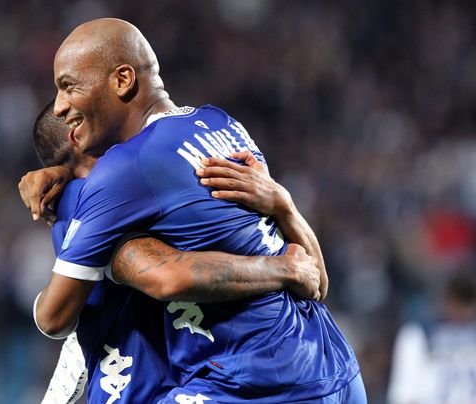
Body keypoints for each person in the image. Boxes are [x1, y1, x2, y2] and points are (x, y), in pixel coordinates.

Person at [34, 18, 364, 402]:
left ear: (123, 80)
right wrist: (286, 208)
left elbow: (54, 317)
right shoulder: (222, 125)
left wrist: (77, 216)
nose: (60, 105)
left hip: (258, 381)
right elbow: (317, 281)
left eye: (68, 86)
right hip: (334, 365)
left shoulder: (124, 169)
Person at [27, 100, 325, 403]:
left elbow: (318, 282)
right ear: (79, 136)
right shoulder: (87, 201)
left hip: (184, 379)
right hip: (149, 387)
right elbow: (169, 276)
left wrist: (283, 204)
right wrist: (285, 269)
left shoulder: (143, 185)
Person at [387, 272, 476, 404]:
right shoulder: (417, 337)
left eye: (466, 301)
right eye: (458, 301)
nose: (461, 311)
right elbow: (404, 396)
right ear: (446, 301)